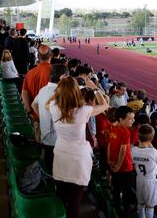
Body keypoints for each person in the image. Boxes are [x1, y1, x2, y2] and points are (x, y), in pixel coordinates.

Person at [46, 76, 108, 218]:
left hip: (61, 155)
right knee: (74, 200)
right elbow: (104, 105)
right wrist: (95, 88)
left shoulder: (54, 107)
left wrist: (58, 91)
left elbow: (46, 104)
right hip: (79, 159)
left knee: (61, 195)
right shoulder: (84, 110)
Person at [31, 64, 68, 172]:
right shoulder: (60, 93)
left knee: (49, 168)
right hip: (57, 141)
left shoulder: (42, 90)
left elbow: (33, 105)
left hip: (45, 137)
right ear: (62, 77)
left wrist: (42, 117)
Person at [107, 106, 135, 213]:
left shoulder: (113, 128)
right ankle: (126, 210)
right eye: (130, 119)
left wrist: (109, 159)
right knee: (126, 190)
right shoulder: (125, 132)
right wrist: (119, 165)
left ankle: (116, 209)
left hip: (114, 165)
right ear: (120, 119)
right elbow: (123, 150)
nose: (133, 121)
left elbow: (110, 145)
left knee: (116, 188)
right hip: (125, 167)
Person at [21, 44, 52, 142]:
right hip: (52, 117)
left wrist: (30, 111)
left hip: (36, 115)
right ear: (51, 56)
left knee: (39, 142)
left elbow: (24, 94)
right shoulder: (55, 72)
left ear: (38, 56)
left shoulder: (30, 73)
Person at [132, 124, 157, 218]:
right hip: (150, 181)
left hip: (139, 180)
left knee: (140, 203)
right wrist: (151, 146)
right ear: (152, 138)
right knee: (150, 206)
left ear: (138, 136)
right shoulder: (152, 152)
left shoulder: (133, 150)